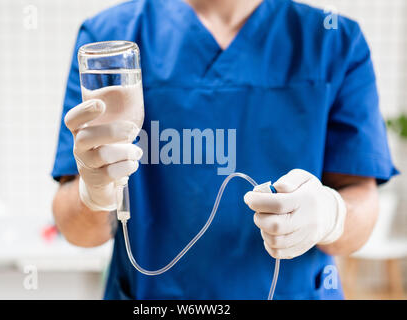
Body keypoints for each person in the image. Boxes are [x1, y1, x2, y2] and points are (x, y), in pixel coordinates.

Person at [51, 0, 398, 299]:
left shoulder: (332, 41)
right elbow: (78, 229)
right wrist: (95, 195)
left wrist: (330, 215)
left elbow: (361, 201)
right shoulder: (111, 39)